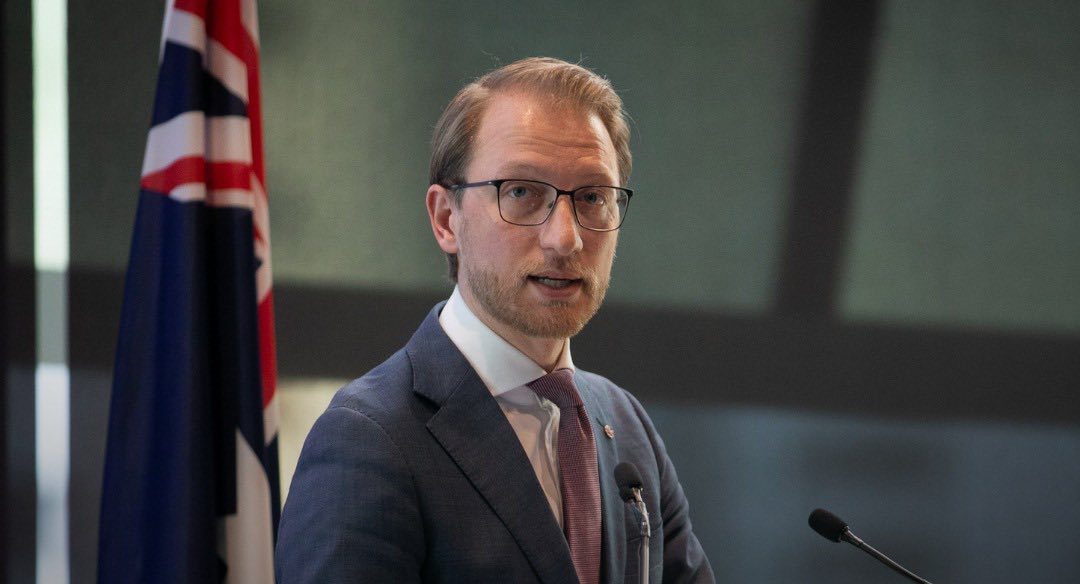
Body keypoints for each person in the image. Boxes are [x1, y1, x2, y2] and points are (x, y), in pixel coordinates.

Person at [276, 56, 714, 584]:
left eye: (593, 197)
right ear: (446, 220)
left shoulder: (626, 424)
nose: (566, 239)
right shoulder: (369, 437)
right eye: (523, 193)